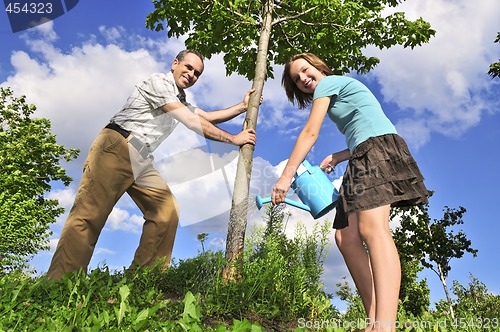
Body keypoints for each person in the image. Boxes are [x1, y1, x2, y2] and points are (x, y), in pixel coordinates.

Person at [47, 50, 257, 280]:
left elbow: (206, 116)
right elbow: (191, 121)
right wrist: (233, 139)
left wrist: (242, 106)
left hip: (141, 158)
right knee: (89, 214)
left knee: (166, 211)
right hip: (117, 145)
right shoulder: (158, 82)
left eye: (197, 73)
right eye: (188, 67)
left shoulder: (180, 99)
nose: (191, 74)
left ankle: (142, 281)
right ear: (175, 64)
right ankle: (59, 285)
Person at [272, 53, 428, 332]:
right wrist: (339, 155)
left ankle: (385, 326)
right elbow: (367, 124)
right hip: (362, 153)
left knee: (373, 229)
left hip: (376, 151)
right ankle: (373, 321)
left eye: (305, 71)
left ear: (318, 67)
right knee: (346, 236)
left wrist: (286, 177)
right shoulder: (334, 90)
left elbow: (310, 132)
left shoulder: (328, 83)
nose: (304, 79)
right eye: (297, 79)